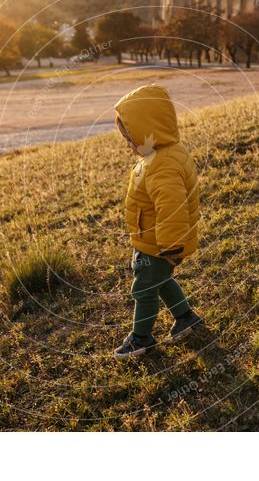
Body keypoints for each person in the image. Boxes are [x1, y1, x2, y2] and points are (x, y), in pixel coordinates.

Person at [112, 83, 203, 359]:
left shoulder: (162, 164)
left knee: (143, 289)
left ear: (148, 132)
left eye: (131, 138)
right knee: (160, 282)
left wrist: (171, 248)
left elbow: (172, 207)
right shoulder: (162, 155)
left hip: (159, 245)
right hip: (152, 240)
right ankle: (186, 318)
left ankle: (141, 338)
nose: (129, 145)